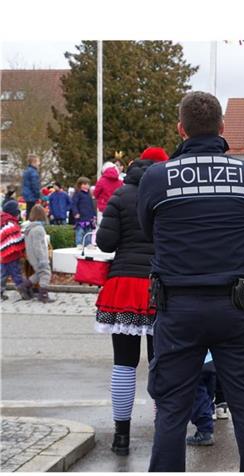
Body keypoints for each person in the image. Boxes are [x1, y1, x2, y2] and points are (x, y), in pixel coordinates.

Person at [137, 91, 244, 472]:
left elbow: (150, 230)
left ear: (181, 129)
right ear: (222, 128)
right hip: (236, 306)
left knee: (172, 409)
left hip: (178, 306)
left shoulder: (156, 177)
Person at [95, 146, 168, 456]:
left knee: (123, 364)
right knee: (160, 363)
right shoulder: (167, 195)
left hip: (123, 283)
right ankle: (162, 432)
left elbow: (105, 241)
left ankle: (121, 436)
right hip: (159, 285)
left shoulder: (121, 194)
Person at [1, 200, 32, 300]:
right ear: (13, 213)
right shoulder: (10, 223)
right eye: (17, 212)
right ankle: (23, 291)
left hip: (4, 254)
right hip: (11, 253)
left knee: (3, 274)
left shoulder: (4, 220)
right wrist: (24, 235)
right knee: (16, 273)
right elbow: (15, 239)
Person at [22, 205, 54, 303]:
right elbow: (38, 247)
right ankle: (43, 294)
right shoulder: (39, 229)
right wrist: (43, 260)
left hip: (31, 256)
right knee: (46, 273)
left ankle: (24, 286)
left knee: (39, 273)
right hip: (39, 257)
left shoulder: (29, 228)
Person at [186, 352, 217, 447]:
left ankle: (205, 431)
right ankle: (207, 422)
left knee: (198, 397)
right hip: (210, 359)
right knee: (208, 393)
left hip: (194, 360)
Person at [71, 177, 97, 246]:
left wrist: (94, 216)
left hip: (89, 217)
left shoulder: (89, 195)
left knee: (88, 231)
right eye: (84, 184)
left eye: (88, 184)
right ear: (79, 185)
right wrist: (76, 213)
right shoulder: (77, 194)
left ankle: (88, 244)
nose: (87, 186)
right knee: (80, 231)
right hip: (80, 217)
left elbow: (92, 206)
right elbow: (74, 204)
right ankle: (79, 243)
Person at [22, 154, 41, 218]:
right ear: (34, 162)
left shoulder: (27, 170)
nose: (39, 163)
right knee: (32, 213)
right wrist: (38, 195)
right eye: (38, 161)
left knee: (29, 211)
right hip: (32, 196)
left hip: (27, 195)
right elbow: (35, 185)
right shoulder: (33, 172)